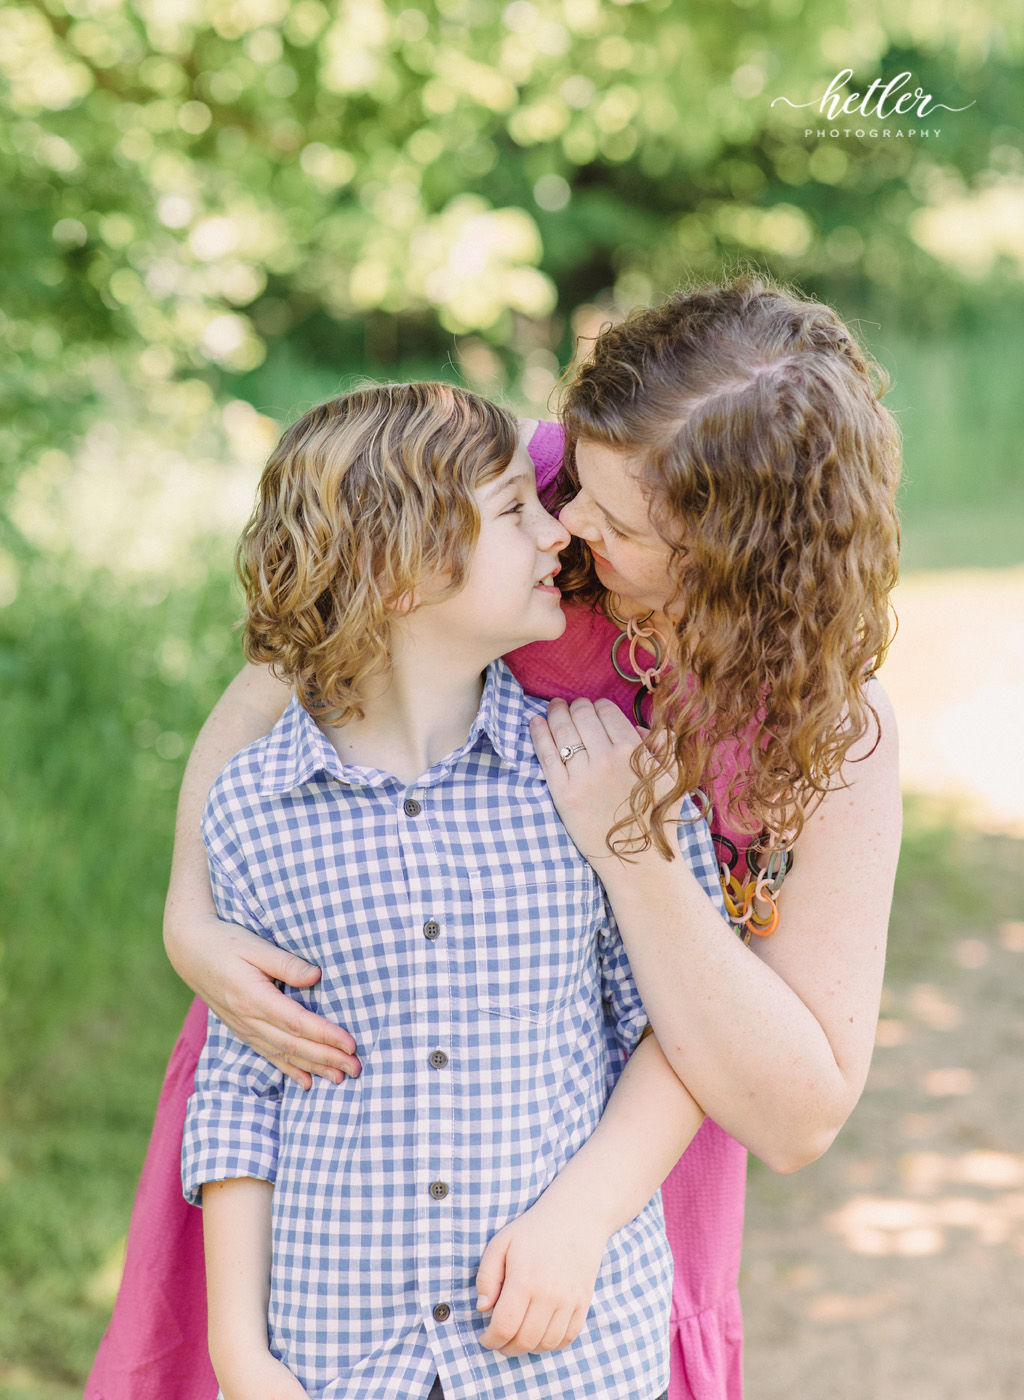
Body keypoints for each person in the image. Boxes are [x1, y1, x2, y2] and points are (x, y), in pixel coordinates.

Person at [85, 274, 902, 1400]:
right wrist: (193, 914)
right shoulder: (528, 485)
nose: (568, 527)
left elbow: (796, 1108)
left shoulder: (818, 728)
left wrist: (632, 854)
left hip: (595, 1150)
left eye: (615, 528)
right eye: (570, 493)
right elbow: (278, 681)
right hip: (335, 1118)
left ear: (735, 560)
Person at [180, 379, 723, 1400]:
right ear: (403, 572)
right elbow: (241, 1085)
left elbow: (684, 1026)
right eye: (515, 510)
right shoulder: (255, 806)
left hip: (569, 1348)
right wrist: (239, 1353)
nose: (556, 533)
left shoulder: (602, 772)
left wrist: (582, 1220)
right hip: (336, 1349)